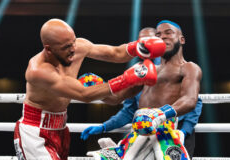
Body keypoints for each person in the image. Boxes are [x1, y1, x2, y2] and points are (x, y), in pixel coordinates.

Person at [13, 18, 166, 160]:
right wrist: (126, 79)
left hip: (60, 129)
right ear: (49, 49)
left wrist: (138, 48)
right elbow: (84, 94)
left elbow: (115, 53)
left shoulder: (77, 46)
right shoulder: (38, 71)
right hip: (35, 132)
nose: (74, 49)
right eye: (67, 47)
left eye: (73, 42)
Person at [81, 20, 202, 160]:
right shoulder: (145, 69)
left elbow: (190, 100)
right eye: (159, 34)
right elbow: (116, 98)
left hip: (167, 132)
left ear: (181, 39)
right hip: (139, 131)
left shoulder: (188, 68)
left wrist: (158, 115)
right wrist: (97, 89)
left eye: (168, 33)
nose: (162, 37)